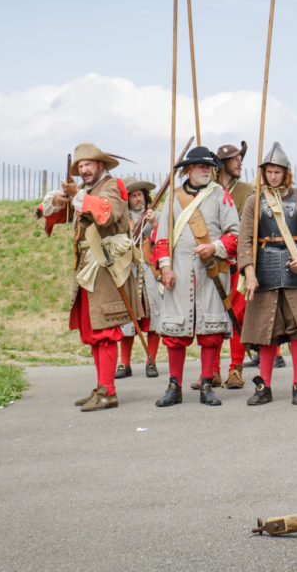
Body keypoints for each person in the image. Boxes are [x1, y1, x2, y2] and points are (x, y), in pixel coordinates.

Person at [38, 142, 137, 412]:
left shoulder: (112, 186)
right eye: (81, 166)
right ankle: (102, 386)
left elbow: (107, 212)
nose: (84, 170)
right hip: (87, 267)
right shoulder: (84, 190)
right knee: (94, 331)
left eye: (88, 165)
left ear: (100, 166)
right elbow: (63, 213)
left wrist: (77, 196)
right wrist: (58, 200)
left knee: (105, 330)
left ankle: (109, 391)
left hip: (106, 267)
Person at [237, 142, 297, 405]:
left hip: (296, 273)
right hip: (264, 271)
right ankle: (263, 386)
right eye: (269, 172)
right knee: (267, 332)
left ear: (286, 172)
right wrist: (249, 272)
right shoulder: (254, 202)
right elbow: (245, 240)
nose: (273, 176)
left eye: (277, 172)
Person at [151, 146, 240, 407]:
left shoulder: (221, 196)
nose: (205, 170)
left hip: (210, 273)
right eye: (199, 166)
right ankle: (174, 386)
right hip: (178, 273)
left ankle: (207, 385)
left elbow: (235, 234)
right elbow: (162, 238)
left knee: (210, 332)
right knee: (175, 333)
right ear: (187, 170)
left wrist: (214, 247)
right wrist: (165, 267)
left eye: (208, 166)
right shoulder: (173, 198)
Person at [209, 142, 256, 390]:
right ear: (222, 164)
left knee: (238, 316)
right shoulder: (208, 190)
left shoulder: (248, 191)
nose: (239, 163)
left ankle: (235, 369)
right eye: (234, 159)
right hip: (212, 263)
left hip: (238, 261)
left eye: (240, 158)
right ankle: (212, 371)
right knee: (213, 318)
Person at [117, 177, 163, 379]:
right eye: (134, 195)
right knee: (127, 318)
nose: (138, 199)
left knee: (153, 316)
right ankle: (124, 364)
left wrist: (153, 225)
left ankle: (151, 360)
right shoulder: (120, 219)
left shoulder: (156, 216)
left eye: (140, 195)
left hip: (150, 273)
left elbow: (164, 240)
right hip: (129, 272)